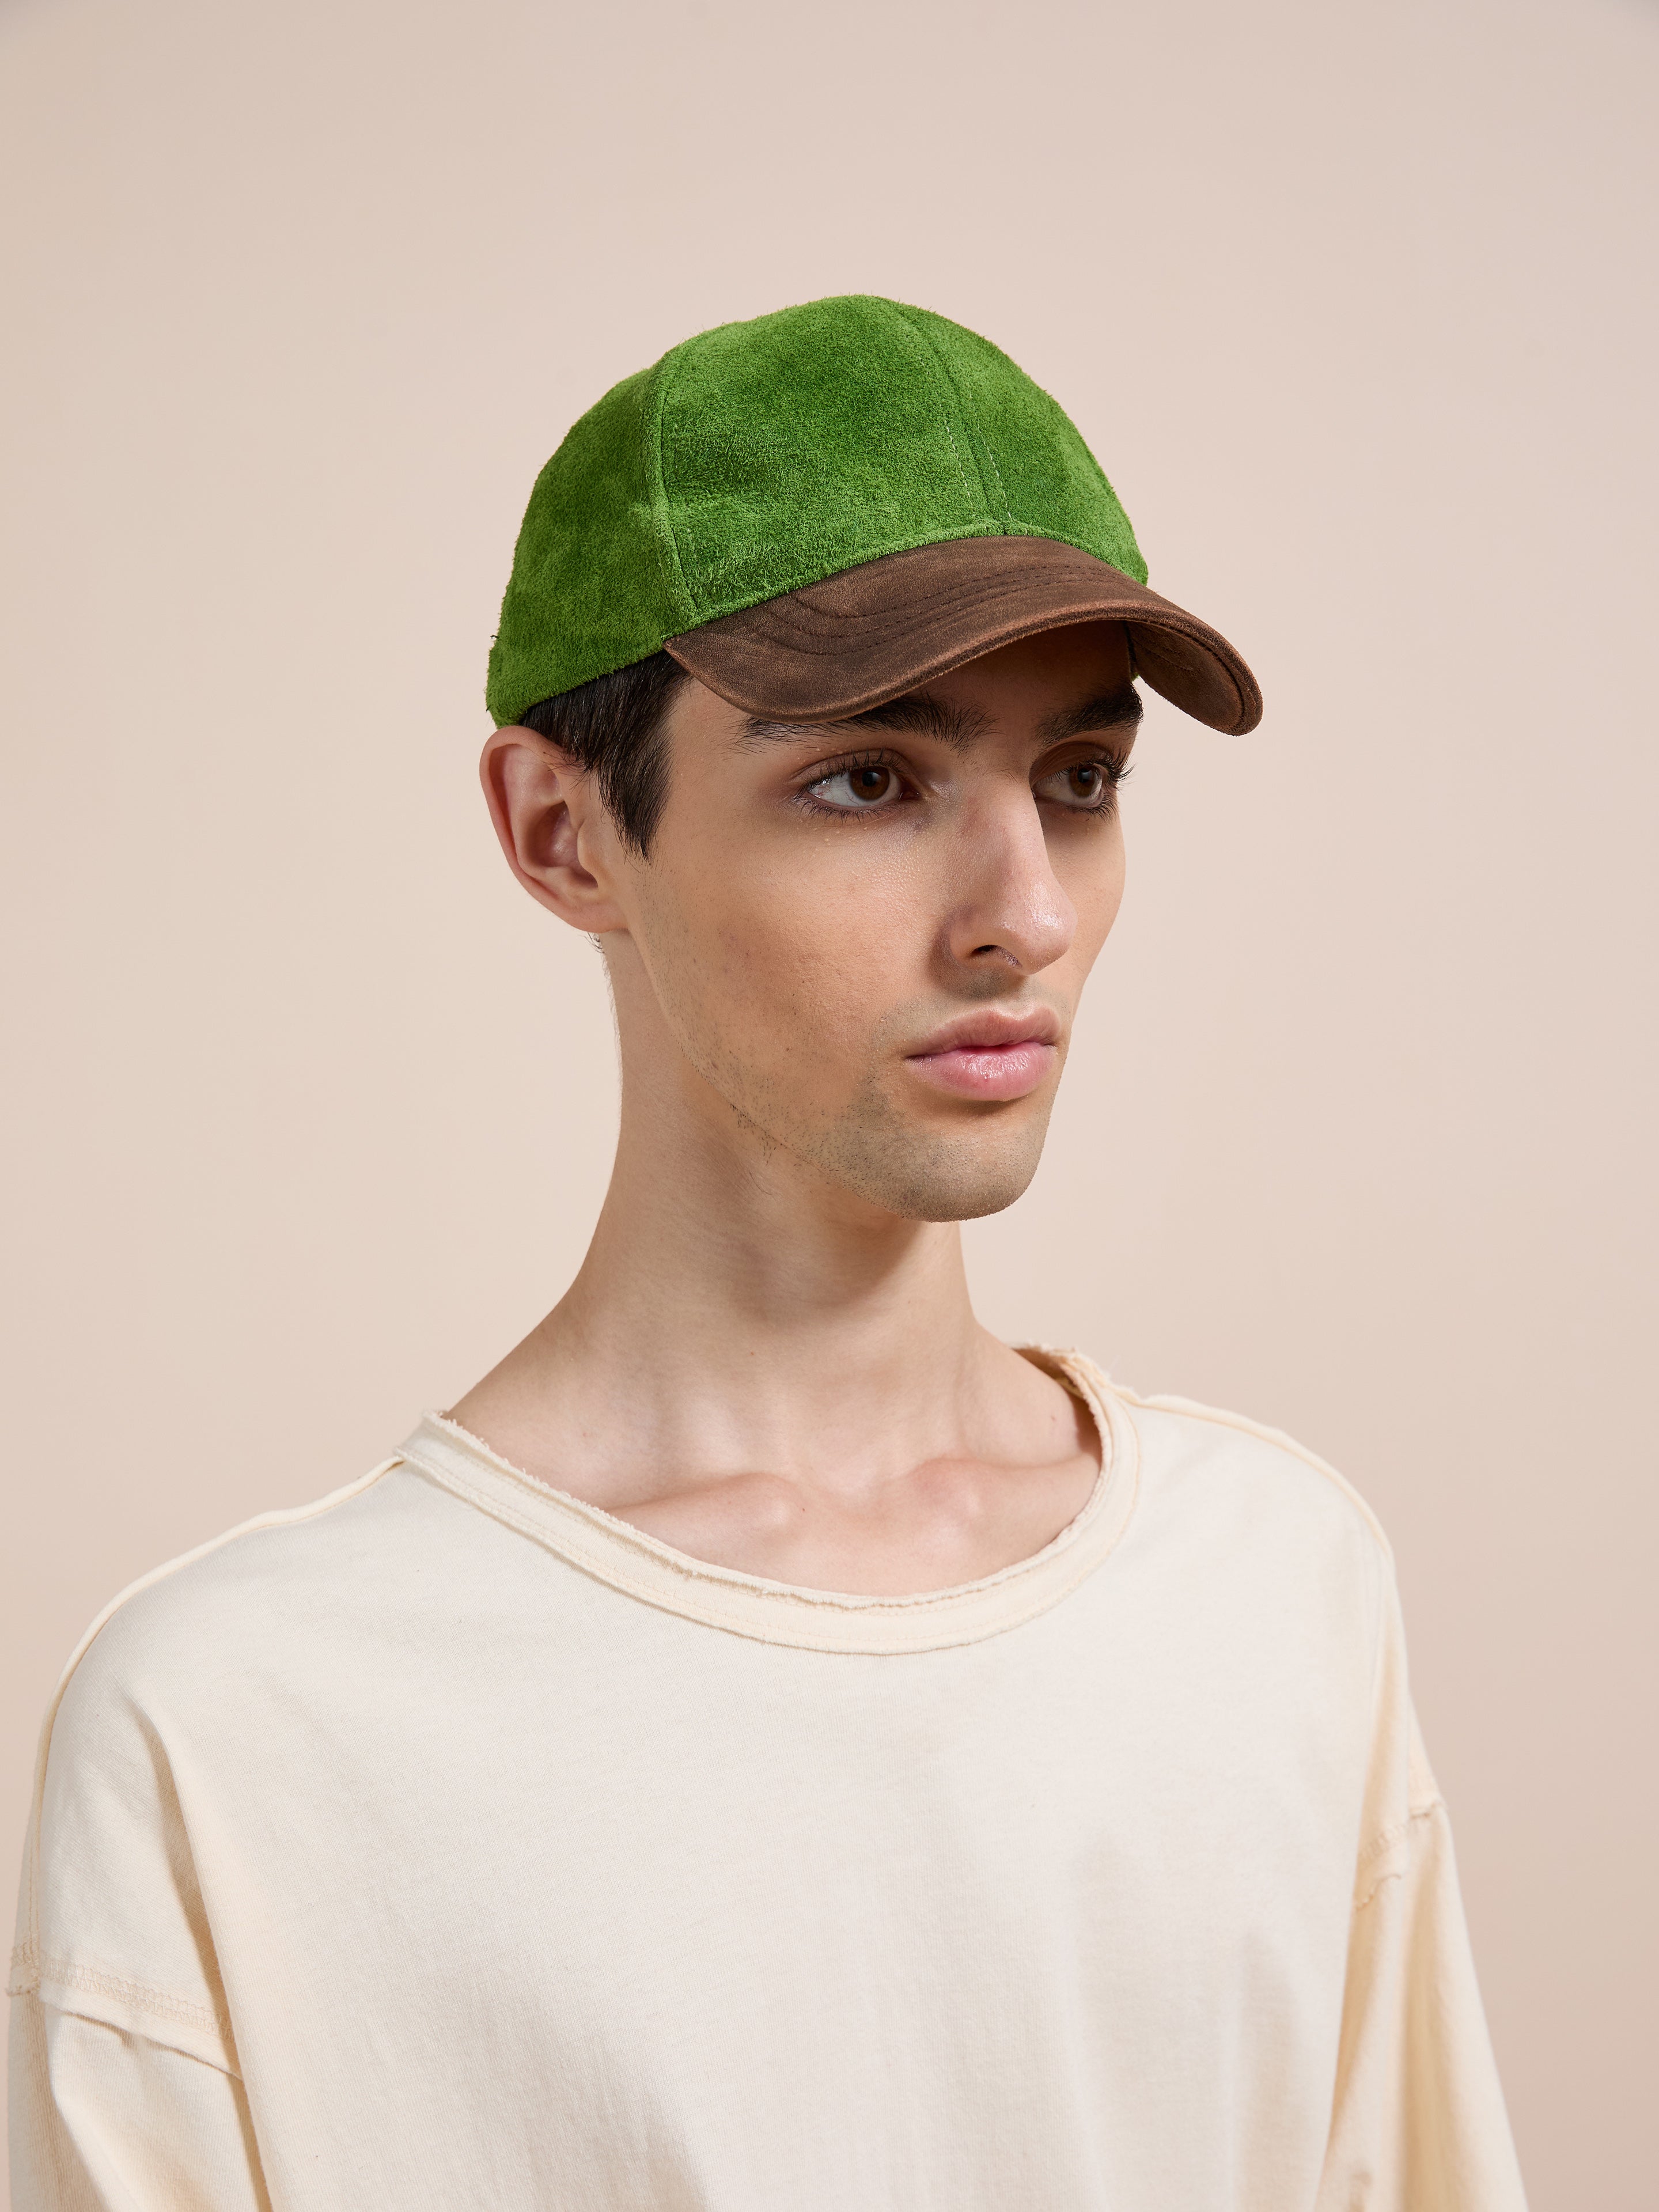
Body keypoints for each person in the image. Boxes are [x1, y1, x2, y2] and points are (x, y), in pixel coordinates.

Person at [7, 296, 1528, 2211]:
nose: (1027, 915)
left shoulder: (1275, 1588)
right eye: (870, 781)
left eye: (1080, 777)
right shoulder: (234, 1734)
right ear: (564, 833)